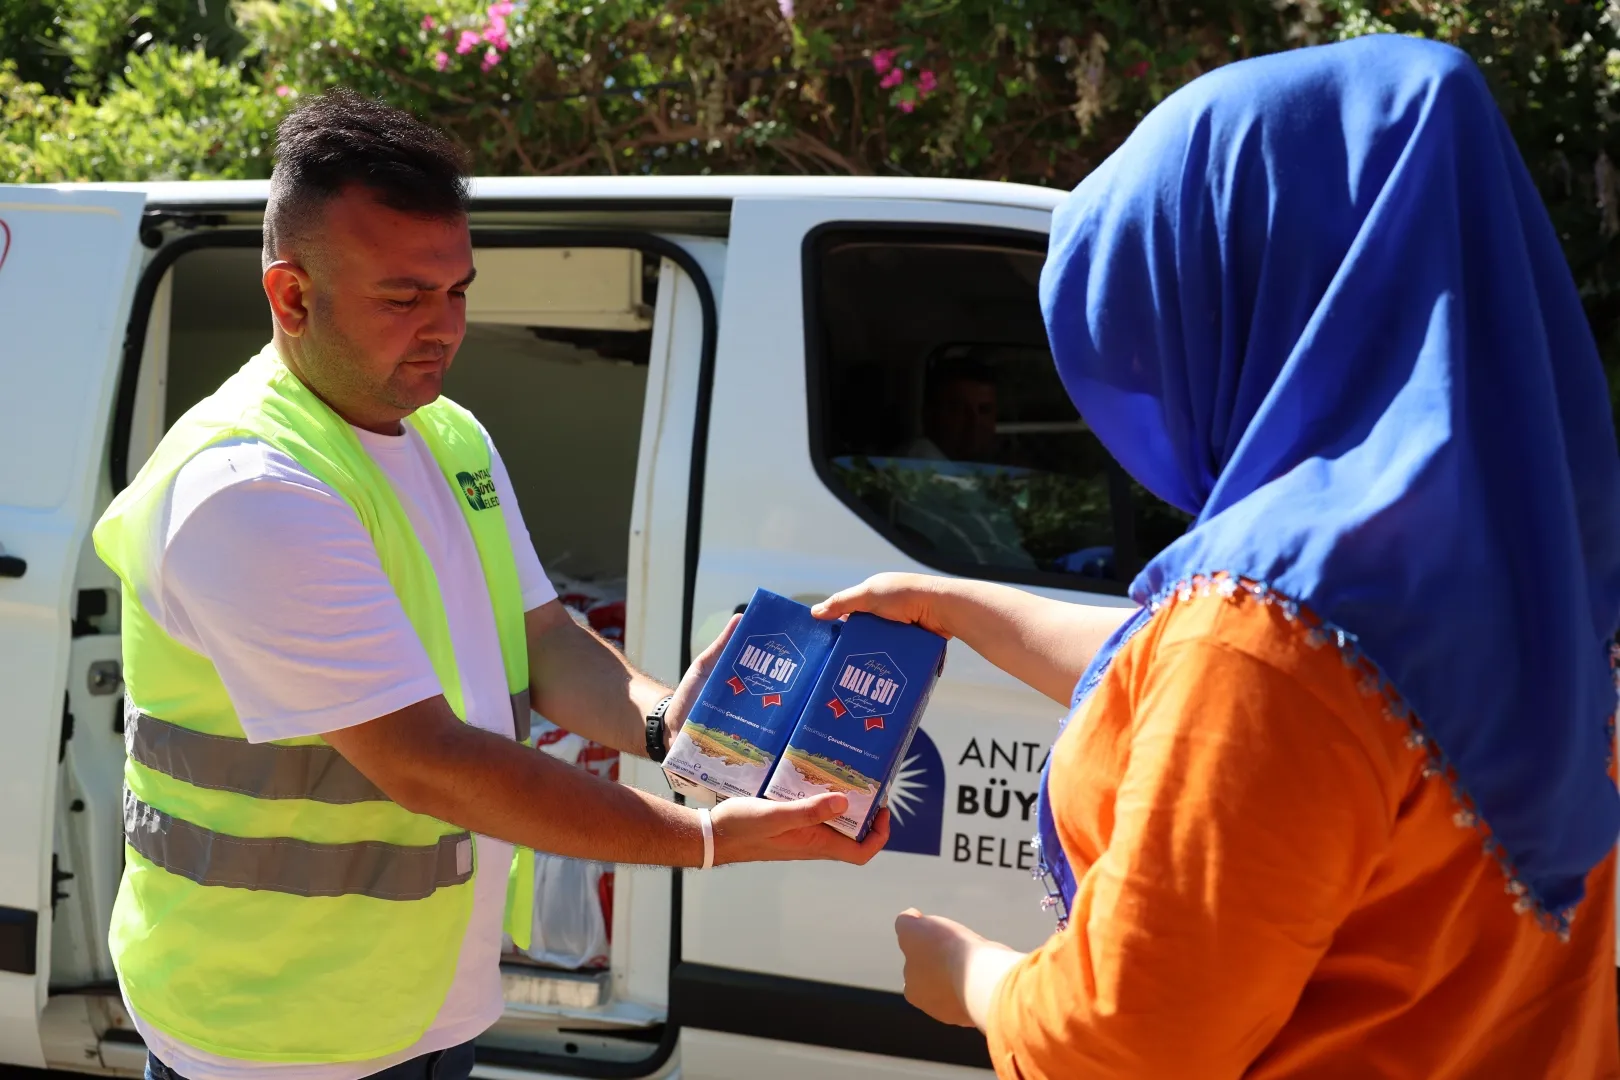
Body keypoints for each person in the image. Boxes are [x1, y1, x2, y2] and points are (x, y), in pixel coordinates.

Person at [816, 35, 1620, 1078]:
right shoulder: (1518, 571)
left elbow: (1127, 1042)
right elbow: (1257, 692)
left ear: (1244, 287)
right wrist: (955, 606)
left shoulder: (1267, 622)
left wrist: (971, 979)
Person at [94, 89, 886, 1080]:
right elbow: (429, 763)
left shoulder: (446, 435)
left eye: (457, 290)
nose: (445, 328)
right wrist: (707, 840)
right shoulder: (252, 487)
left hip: (425, 1006)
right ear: (291, 297)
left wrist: (667, 723)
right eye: (404, 298)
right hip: (270, 1031)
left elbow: (542, 638)